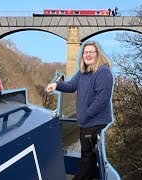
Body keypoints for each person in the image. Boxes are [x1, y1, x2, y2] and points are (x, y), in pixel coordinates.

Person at [46, 41, 114, 180]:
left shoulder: (103, 72)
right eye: (85, 52)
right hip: (86, 120)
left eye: (91, 52)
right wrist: (56, 85)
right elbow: (71, 86)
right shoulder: (83, 72)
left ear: (98, 55)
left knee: (87, 156)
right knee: (89, 154)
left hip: (94, 121)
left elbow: (101, 100)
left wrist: (84, 115)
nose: (88, 54)